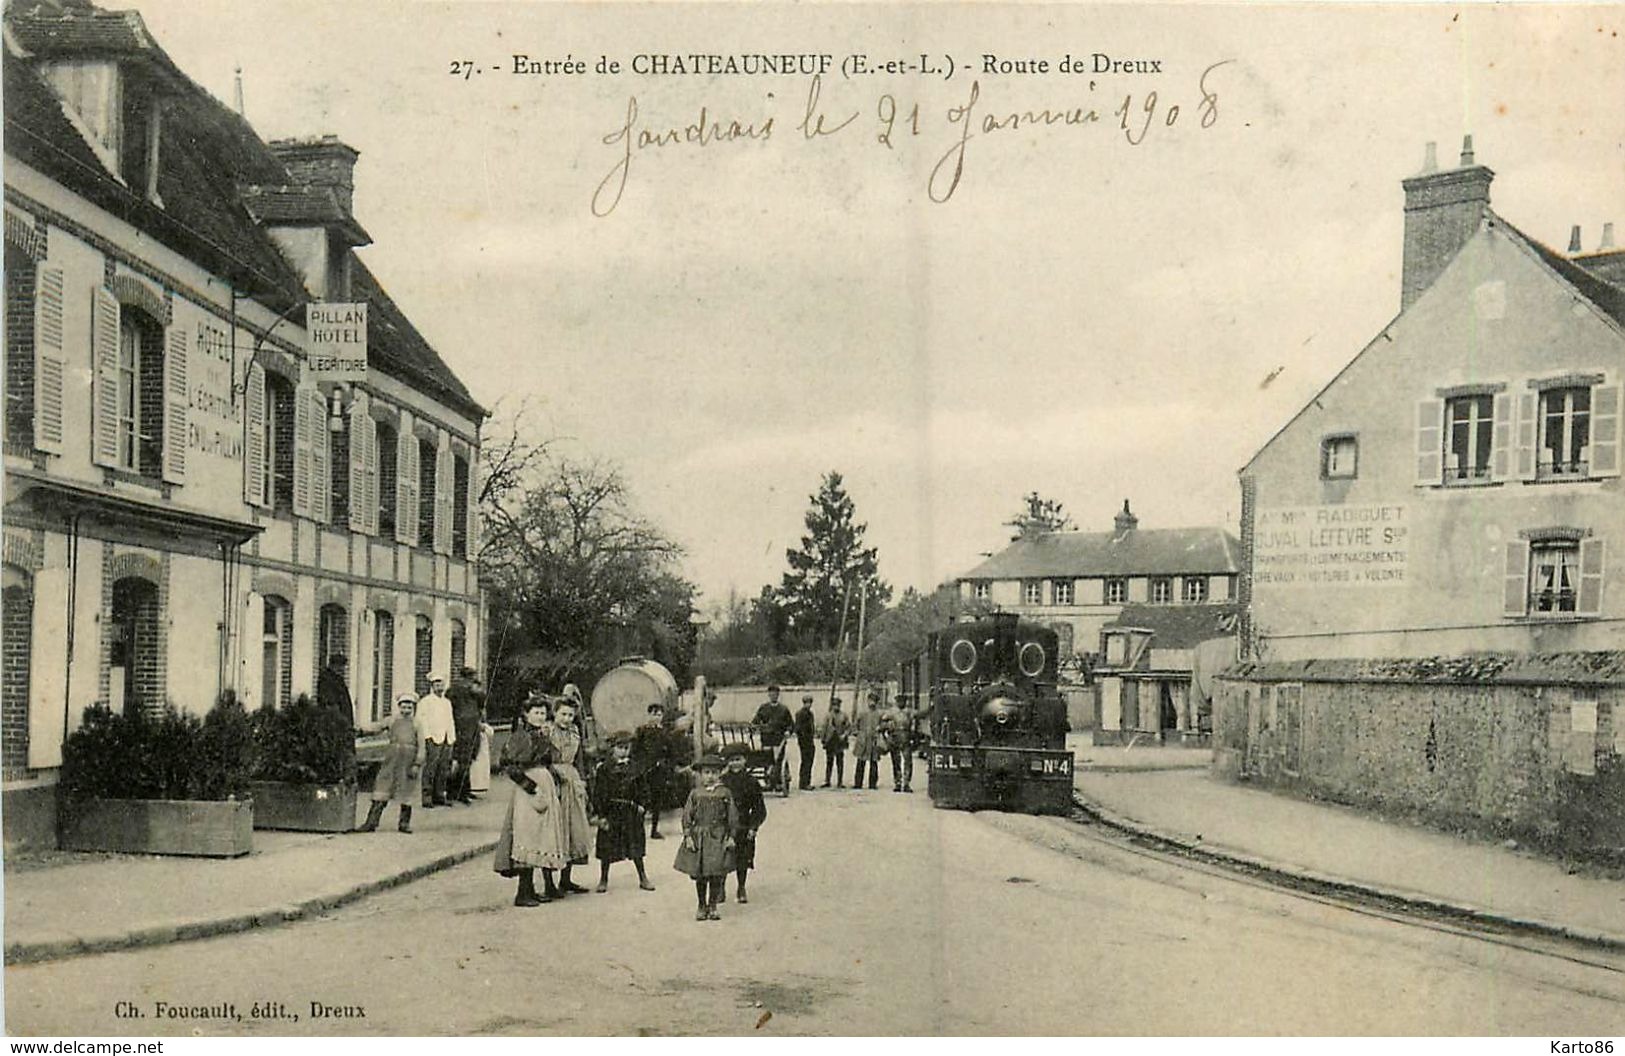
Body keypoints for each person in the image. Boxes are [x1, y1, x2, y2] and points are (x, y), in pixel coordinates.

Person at [492, 696, 566, 907]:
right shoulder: (520, 737)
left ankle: (533, 889)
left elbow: (547, 761)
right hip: (529, 791)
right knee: (527, 837)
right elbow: (509, 767)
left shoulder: (541, 735)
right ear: (526, 715)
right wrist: (531, 788)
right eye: (536, 712)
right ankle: (523, 892)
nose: (540, 716)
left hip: (544, 786)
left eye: (543, 713)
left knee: (542, 837)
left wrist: (555, 780)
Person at [672, 754, 737, 921]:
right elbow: (687, 815)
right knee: (700, 873)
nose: (710, 776)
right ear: (700, 775)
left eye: (714, 772)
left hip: (718, 836)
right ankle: (701, 905)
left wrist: (731, 836)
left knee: (715, 873)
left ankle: (713, 905)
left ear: (720, 774)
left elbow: (732, 816)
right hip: (699, 836)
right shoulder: (695, 793)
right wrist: (688, 835)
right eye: (707, 772)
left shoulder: (725, 793)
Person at [589, 731, 655, 893]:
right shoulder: (605, 769)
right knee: (607, 848)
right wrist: (600, 814)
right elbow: (598, 793)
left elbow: (644, 789)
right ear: (612, 749)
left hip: (631, 812)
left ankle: (643, 877)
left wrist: (643, 806)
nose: (623, 751)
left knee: (636, 846)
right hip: (612, 812)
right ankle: (603, 879)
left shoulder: (636, 768)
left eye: (626, 747)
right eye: (620, 747)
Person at [547, 697, 593, 895]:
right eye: (563, 714)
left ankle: (566, 879)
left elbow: (580, 759)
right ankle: (549, 882)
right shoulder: (547, 731)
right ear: (555, 713)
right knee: (553, 831)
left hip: (572, 781)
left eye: (570, 715)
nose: (566, 718)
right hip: (553, 779)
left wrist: (582, 781)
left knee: (573, 830)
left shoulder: (575, 732)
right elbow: (544, 759)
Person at [359, 693, 424, 833]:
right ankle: (371, 822)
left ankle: (404, 823)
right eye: (403, 706)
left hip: (408, 761)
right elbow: (377, 727)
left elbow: (422, 745)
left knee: (406, 790)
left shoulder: (417, 723)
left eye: (409, 707)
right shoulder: (392, 720)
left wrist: (417, 764)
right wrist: (362, 729)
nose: (406, 710)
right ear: (399, 706)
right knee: (382, 787)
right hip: (392, 759)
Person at [718, 743, 766, 904]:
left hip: (744, 825)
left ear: (745, 760)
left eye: (738, 759)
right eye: (731, 760)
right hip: (724, 826)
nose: (735, 764)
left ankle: (741, 887)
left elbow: (759, 809)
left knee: (742, 858)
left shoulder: (752, 783)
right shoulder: (722, 781)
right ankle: (720, 888)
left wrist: (754, 827)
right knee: (722, 857)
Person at [632, 703, 674, 840]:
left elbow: (671, 752)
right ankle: (638, 831)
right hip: (644, 770)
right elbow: (635, 751)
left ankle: (654, 830)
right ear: (648, 715)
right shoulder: (641, 731)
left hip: (658, 771)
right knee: (642, 800)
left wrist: (665, 764)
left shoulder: (664, 733)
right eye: (654, 714)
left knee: (657, 800)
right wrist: (639, 767)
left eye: (659, 714)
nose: (656, 717)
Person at [447, 667, 486, 804]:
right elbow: (482, 700)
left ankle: (460, 790)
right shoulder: (472, 688)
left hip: (462, 726)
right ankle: (461, 792)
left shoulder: (453, 689)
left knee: (461, 760)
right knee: (465, 760)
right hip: (467, 727)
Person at [417, 672, 456, 808]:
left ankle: (439, 795)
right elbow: (422, 721)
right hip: (433, 737)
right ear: (432, 686)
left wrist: (452, 737)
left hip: (446, 738)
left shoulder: (447, 702)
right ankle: (427, 796)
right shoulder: (426, 702)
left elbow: (450, 720)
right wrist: (427, 737)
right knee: (431, 767)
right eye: (436, 684)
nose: (439, 686)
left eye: (441, 683)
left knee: (443, 768)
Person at [750, 685, 794, 791]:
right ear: (768, 695)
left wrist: (788, 731)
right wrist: (754, 726)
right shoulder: (763, 708)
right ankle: (769, 782)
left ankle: (778, 782)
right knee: (766, 759)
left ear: (778, 695)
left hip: (779, 739)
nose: (773, 696)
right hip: (766, 738)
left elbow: (791, 724)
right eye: (771, 694)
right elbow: (755, 721)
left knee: (778, 760)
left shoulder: (784, 709)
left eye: (775, 694)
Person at [882, 696, 920, 792]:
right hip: (895, 737)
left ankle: (906, 783)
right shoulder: (891, 712)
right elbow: (883, 721)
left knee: (908, 761)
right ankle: (898, 782)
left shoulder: (909, 711)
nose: (901, 703)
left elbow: (920, 715)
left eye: (902, 701)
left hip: (906, 737)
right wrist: (888, 727)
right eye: (899, 701)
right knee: (896, 761)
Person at [850, 690, 884, 791]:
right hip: (863, 740)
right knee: (860, 761)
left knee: (874, 763)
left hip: (874, 740)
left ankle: (872, 784)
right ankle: (858, 783)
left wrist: (880, 728)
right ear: (867, 701)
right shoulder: (862, 713)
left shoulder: (879, 714)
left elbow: (883, 725)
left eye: (874, 701)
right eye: (870, 700)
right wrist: (858, 734)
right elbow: (855, 725)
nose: (872, 703)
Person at [819, 698, 850, 788]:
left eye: (838, 705)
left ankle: (840, 782)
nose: (836, 707)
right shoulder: (828, 716)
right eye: (834, 705)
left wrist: (844, 735)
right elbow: (824, 728)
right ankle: (827, 781)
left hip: (840, 741)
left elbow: (848, 727)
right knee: (829, 762)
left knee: (840, 762)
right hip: (830, 741)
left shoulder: (844, 715)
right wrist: (823, 739)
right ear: (832, 706)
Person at [316, 654, 354, 723]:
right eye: (340, 666)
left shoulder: (339, 679)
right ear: (334, 665)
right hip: (334, 720)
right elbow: (329, 701)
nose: (342, 670)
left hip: (343, 719)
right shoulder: (326, 679)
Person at [794, 694, 817, 791]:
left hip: (810, 740)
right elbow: (798, 728)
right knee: (805, 761)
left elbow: (812, 727)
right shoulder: (800, 714)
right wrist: (803, 738)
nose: (809, 705)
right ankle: (803, 783)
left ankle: (807, 781)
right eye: (807, 703)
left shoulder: (810, 714)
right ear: (804, 703)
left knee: (809, 761)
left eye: (810, 703)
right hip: (804, 741)